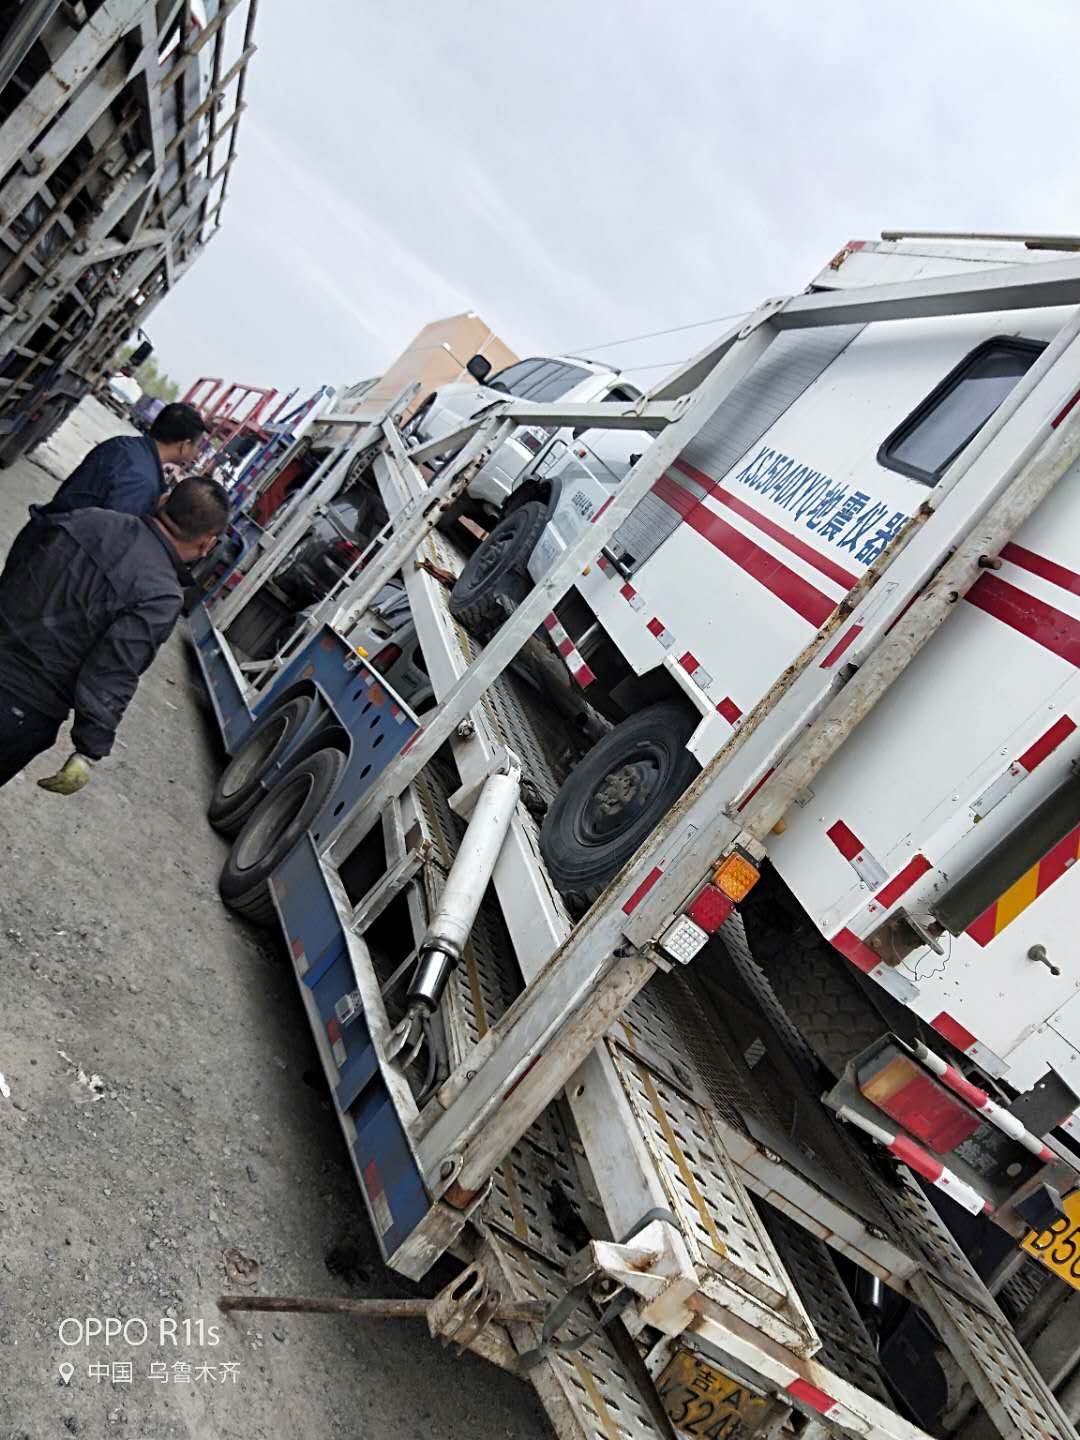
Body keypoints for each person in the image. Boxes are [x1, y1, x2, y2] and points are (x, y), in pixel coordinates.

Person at [0, 476, 229, 793]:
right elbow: (112, 671)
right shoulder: (161, 595)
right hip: (22, 708)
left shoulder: (89, 518)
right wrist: (89, 747)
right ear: (207, 544)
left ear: (163, 501)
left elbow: (23, 555)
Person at [2, 401, 207, 575]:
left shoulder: (122, 445)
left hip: (42, 538)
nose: (197, 453)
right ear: (184, 445)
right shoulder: (142, 482)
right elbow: (106, 543)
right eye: (197, 446)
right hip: (54, 563)